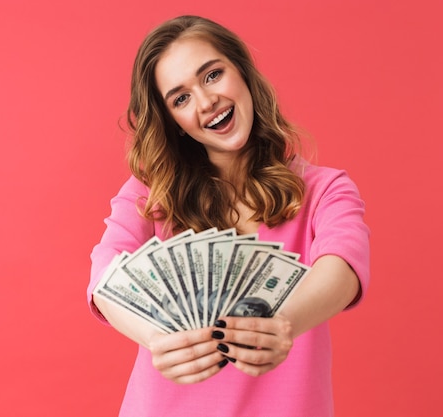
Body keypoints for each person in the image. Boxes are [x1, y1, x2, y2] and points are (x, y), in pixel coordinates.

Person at [87, 15, 370, 417]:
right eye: (180, 98)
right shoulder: (151, 197)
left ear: (243, 72)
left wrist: (282, 323)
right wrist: (155, 338)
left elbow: (343, 267)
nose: (206, 102)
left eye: (213, 75)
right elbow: (104, 277)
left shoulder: (325, 190)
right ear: (174, 123)